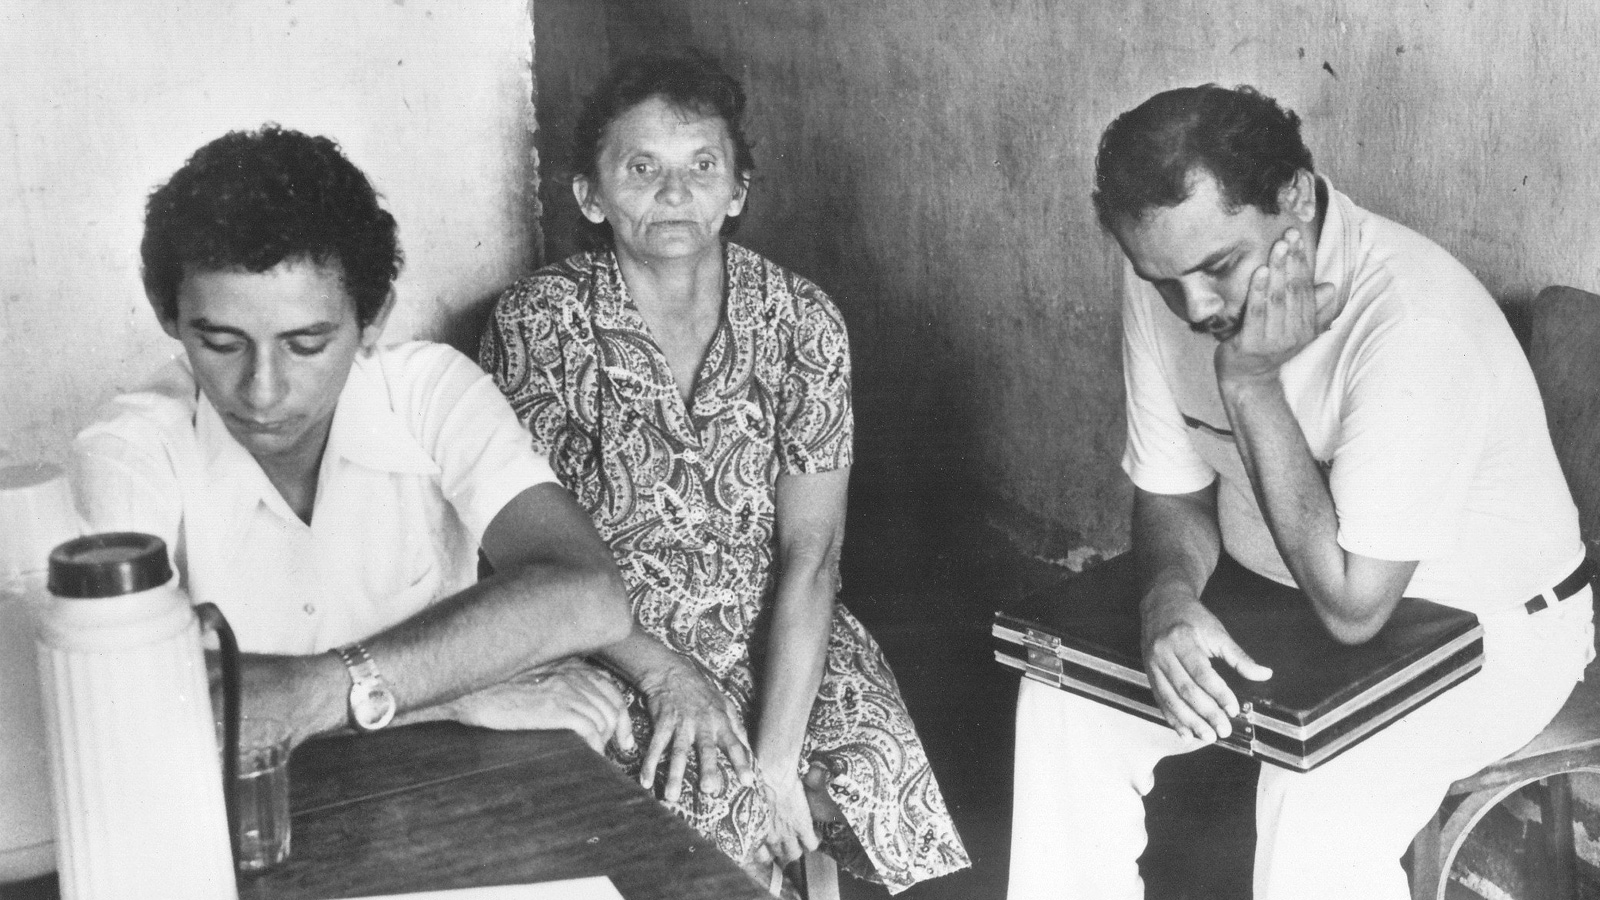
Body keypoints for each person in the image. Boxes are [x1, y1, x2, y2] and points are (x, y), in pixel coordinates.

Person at [1008, 85, 1595, 900]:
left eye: (1220, 267)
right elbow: (1173, 491)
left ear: (1297, 197)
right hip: (1278, 603)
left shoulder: (1414, 320)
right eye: (1164, 280)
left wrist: (1250, 384)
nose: (1194, 307)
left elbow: (1355, 611)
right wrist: (1167, 600)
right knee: (1064, 702)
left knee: (1318, 782)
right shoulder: (1170, 277)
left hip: (1491, 634)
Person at [479, 52, 968, 894]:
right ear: (590, 195)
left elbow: (812, 555)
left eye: (702, 166)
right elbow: (532, 559)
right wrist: (671, 680)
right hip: (608, 632)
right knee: (706, 795)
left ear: (737, 189)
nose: (675, 193)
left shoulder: (802, 320)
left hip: (776, 620)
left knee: (866, 769)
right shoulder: (539, 321)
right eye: (642, 169)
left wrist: (778, 759)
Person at [71, 125, 636, 753]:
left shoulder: (428, 391)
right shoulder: (129, 450)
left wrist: (316, 693)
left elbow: (589, 593)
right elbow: (117, 693)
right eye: (222, 343)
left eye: (305, 344)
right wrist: (442, 690)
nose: (262, 390)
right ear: (166, 313)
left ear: (373, 319)